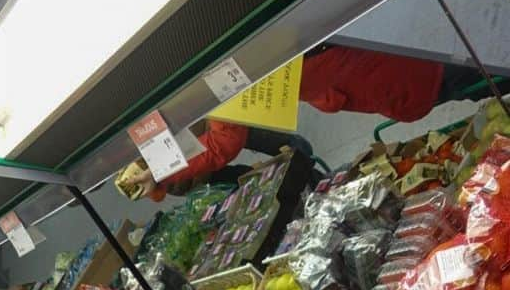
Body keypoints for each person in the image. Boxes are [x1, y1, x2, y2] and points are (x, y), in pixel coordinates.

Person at [135, 45, 492, 199]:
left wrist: (160, 170)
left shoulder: (215, 72)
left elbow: (222, 144)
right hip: (365, 52)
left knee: (468, 72)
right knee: (465, 69)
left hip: (376, 69)